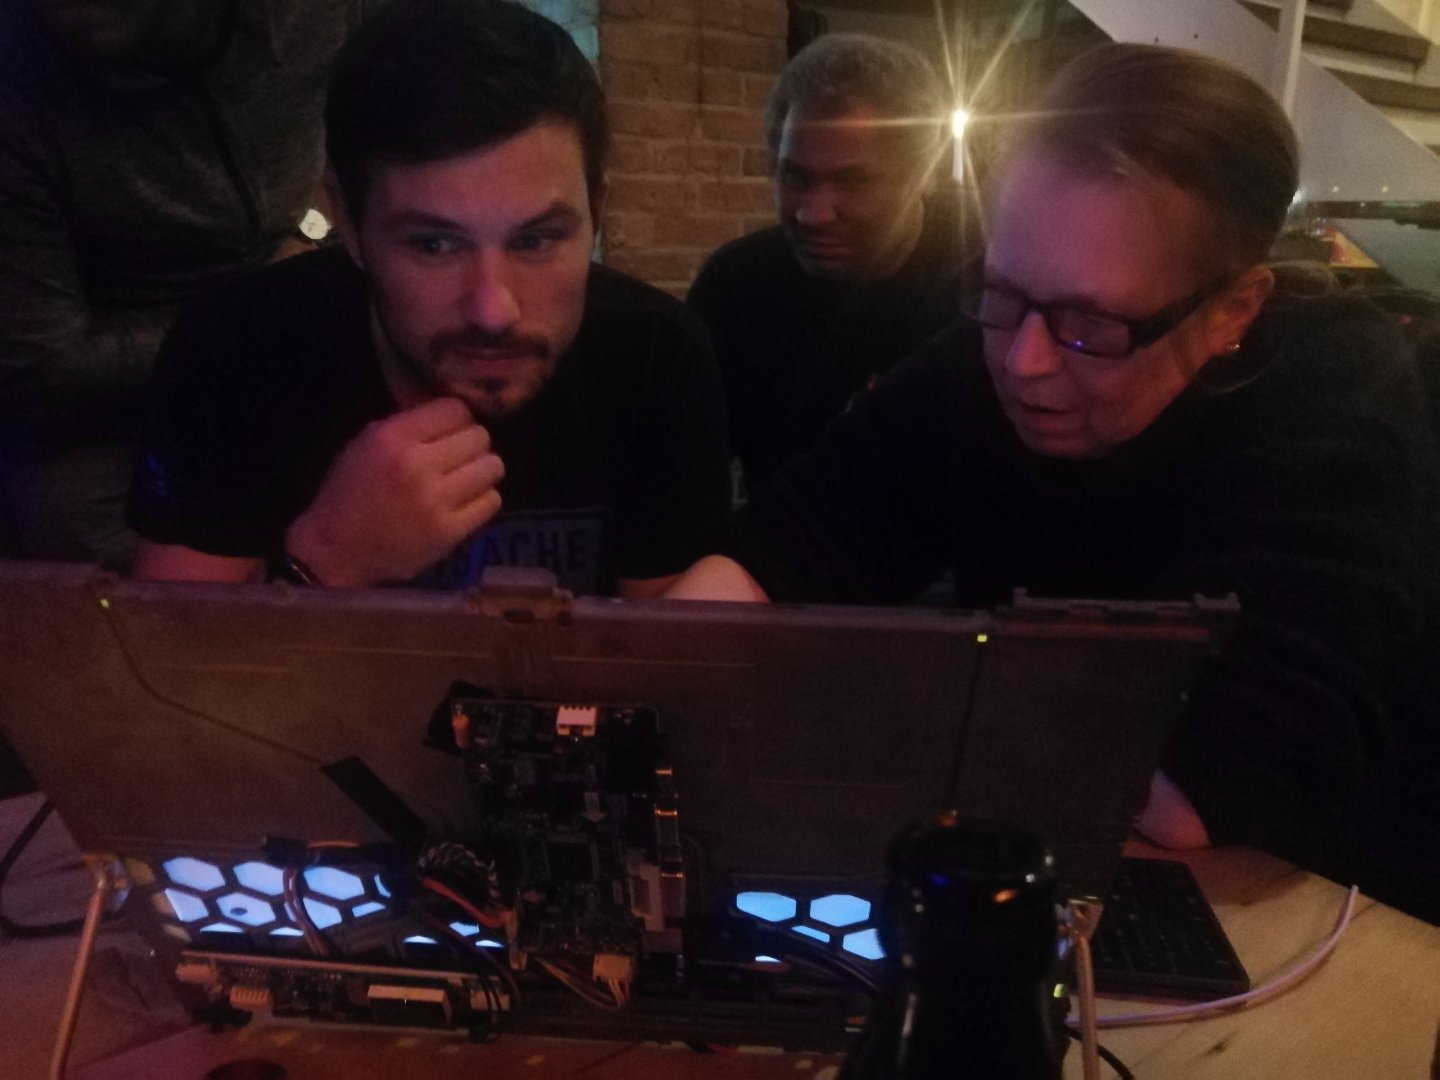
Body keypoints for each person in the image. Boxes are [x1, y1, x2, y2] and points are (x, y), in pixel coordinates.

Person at [669, 43, 1440, 902]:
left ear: (1231, 311)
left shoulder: (1334, 398)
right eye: (1001, 292)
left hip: (1342, 905)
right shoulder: (988, 348)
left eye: (1089, 324)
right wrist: (650, 678)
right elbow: (782, 545)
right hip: (1074, 853)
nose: (1024, 362)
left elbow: (1225, 786)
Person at [127, 0, 731, 598]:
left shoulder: (656, 357)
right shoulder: (235, 348)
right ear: (350, 225)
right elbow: (171, 648)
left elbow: (669, 649)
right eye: (434, 245)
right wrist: (329, 560)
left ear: (597, 211)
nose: (493, 311)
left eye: (536, 240)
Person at [0, 0, 368, 570]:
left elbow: (415, 116)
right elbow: (43, 366)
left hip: (307, 273)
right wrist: (250, 302)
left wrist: (320, 230)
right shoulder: (16, 86)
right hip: (118, 407)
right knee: (68, 533)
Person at [687, 33, 966, 492]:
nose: (813, 215)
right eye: (794, 176)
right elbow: (690, 474)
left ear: (924, 173)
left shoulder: (981, 279)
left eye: (854, 181)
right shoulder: (735, 286)